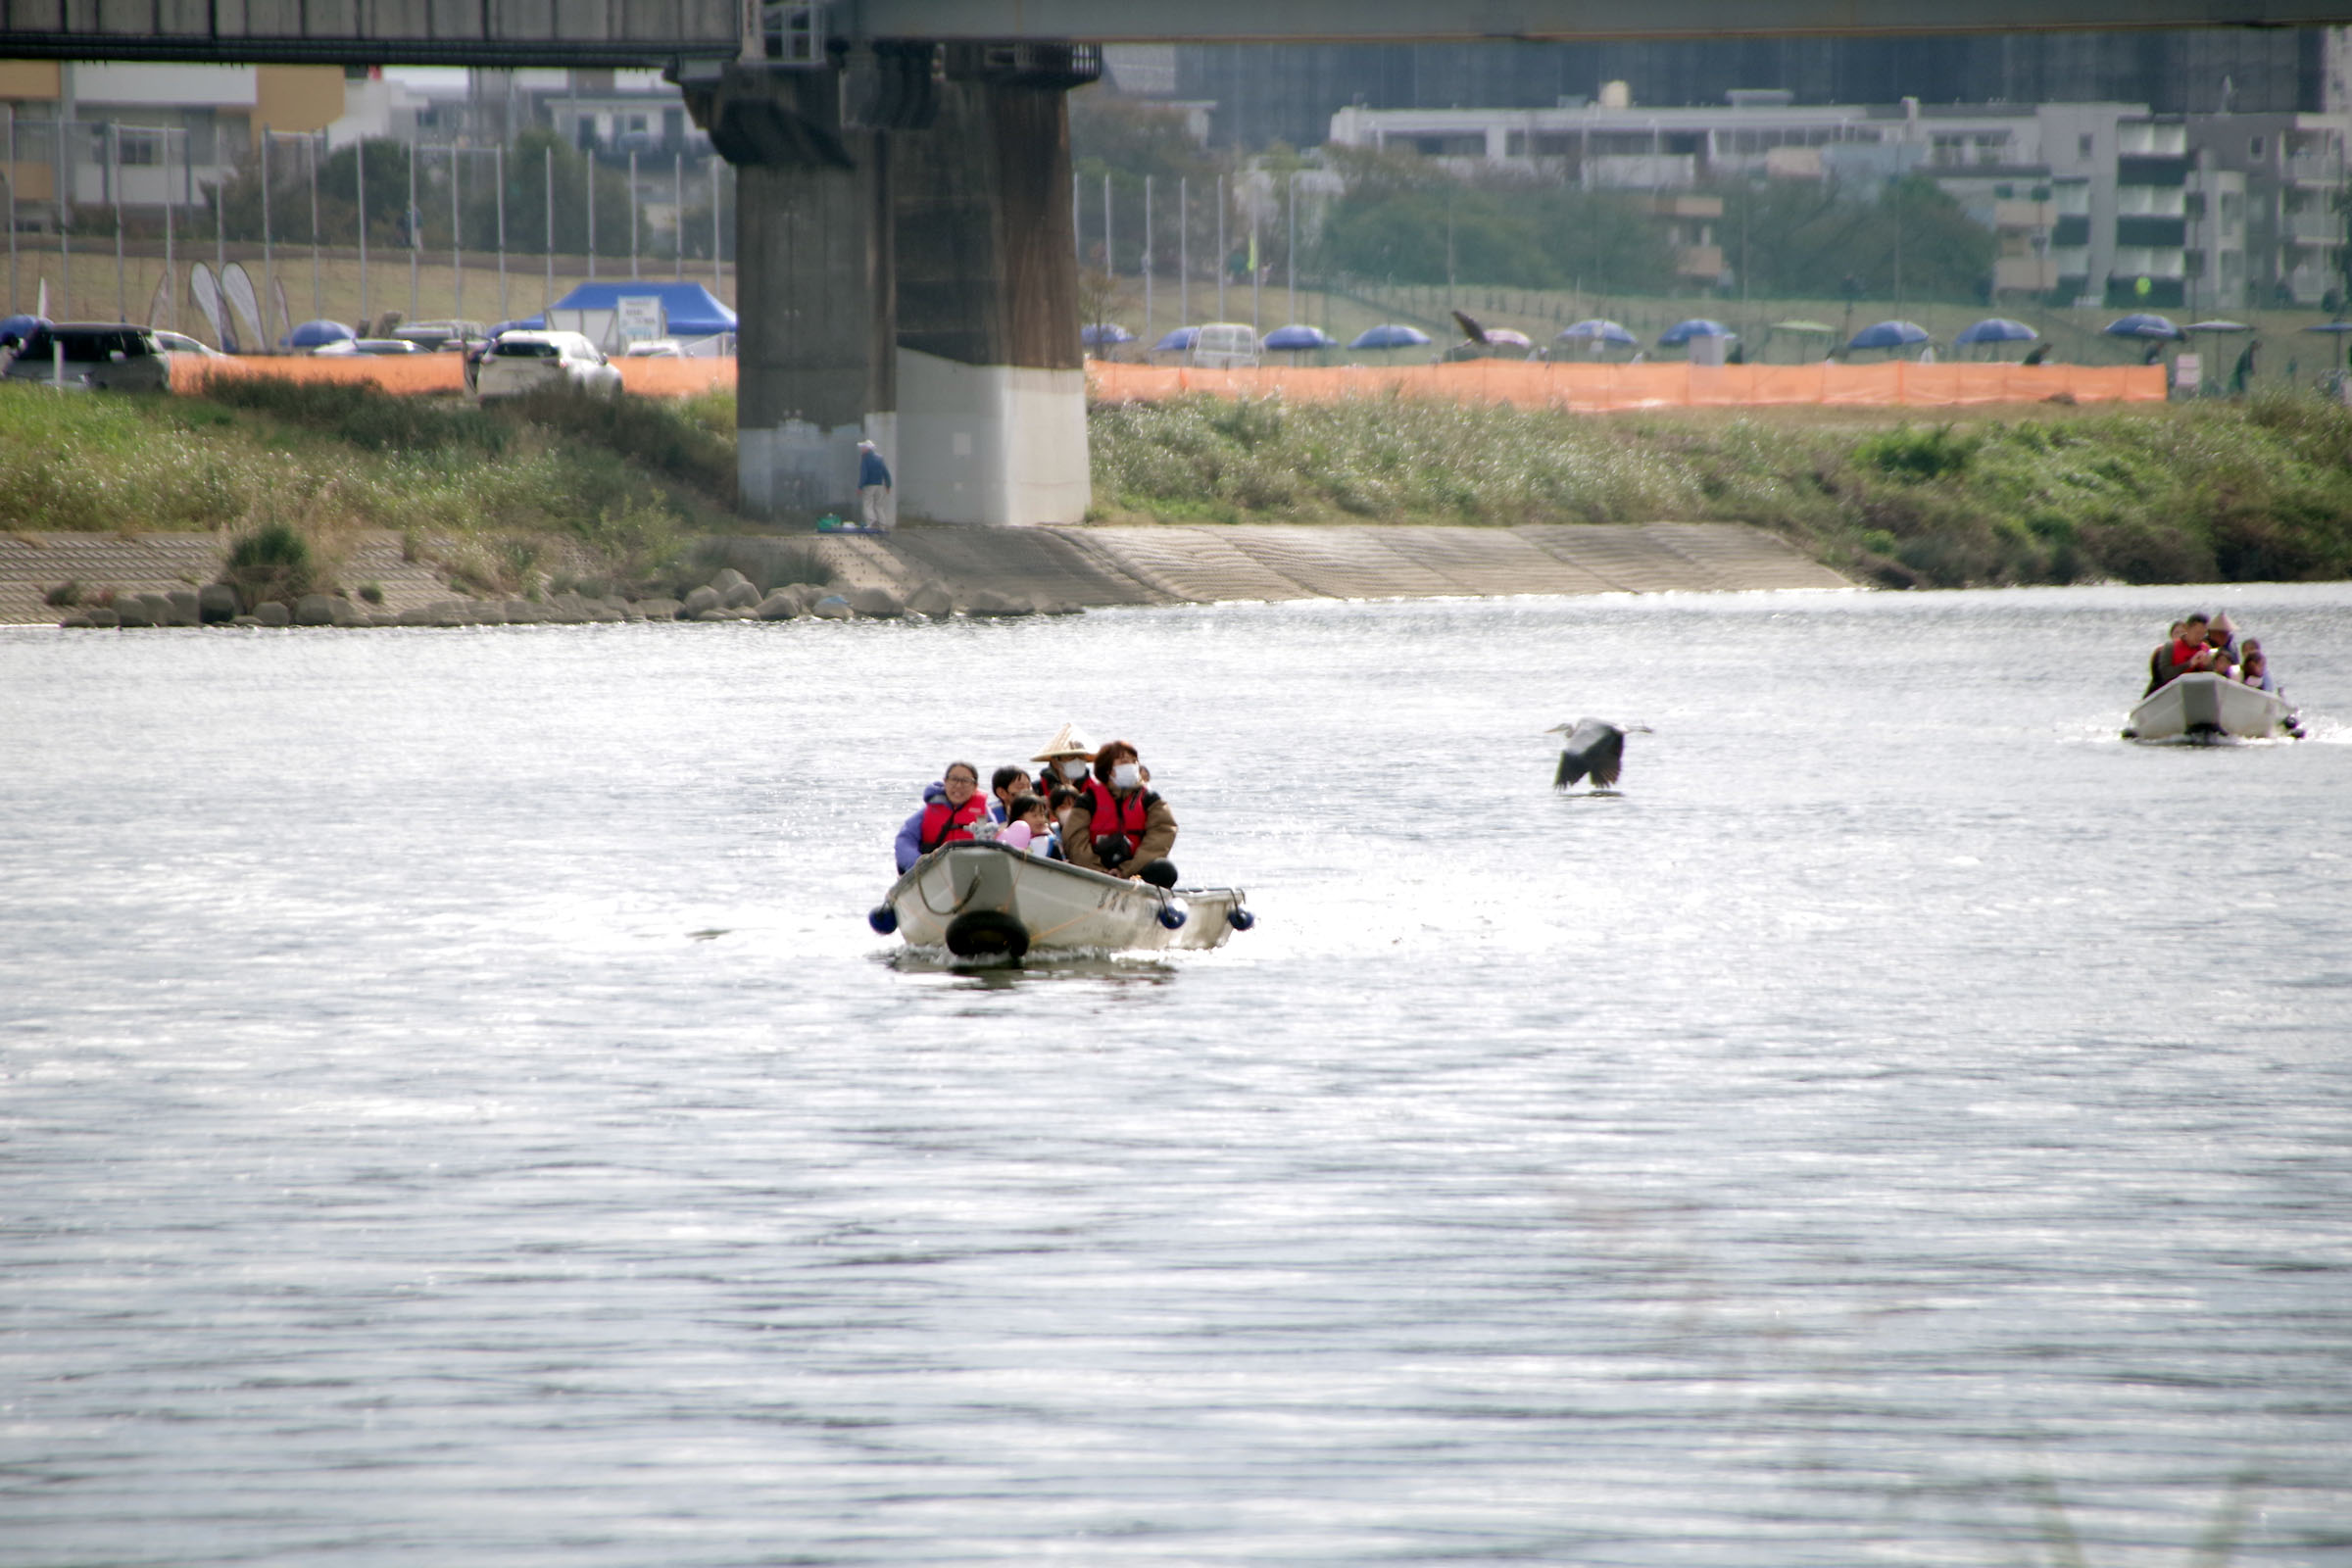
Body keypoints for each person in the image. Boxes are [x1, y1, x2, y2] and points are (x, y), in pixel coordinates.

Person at [1063, 738, 1178, 887]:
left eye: (1133, 761)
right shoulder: (1088, 799)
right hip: (1095, 870)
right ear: (1108, 770)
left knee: (1166, 870)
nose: (1129, 765)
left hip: (1135, 870)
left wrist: (1126, 871)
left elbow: (1162, 835)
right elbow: (1074, 839)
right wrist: (1099, 872)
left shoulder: (1150, 799)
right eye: (1123, 761)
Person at [891, 760, 989, 872]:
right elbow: (905, 840)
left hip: (973, 870)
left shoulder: (985, 814)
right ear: (945, 781)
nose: (958, 785)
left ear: (975, 786)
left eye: (965, 781)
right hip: (933, 872)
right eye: (954, 779)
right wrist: (918, 865)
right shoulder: (926, 813)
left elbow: (1000, 838)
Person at [1028, 723, 1097, 789]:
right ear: (1055, 762)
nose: (1076, 760)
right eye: (1070, 757)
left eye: (1081, 756)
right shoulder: (1038, 788)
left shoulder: (1094, 788)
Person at [857, 439, 893, 532]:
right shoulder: (879, 458)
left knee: (867, 503)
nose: (861, 449)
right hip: (879, 485)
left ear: (867, 449)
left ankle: (872, 522)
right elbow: (885, 472)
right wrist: (888, 485)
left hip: (869, 485)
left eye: (863, 447)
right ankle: (882, 526)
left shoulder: (865, 458)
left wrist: (860, 487)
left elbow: (864, 474)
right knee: (879, 506)